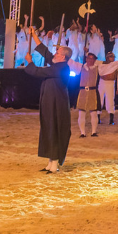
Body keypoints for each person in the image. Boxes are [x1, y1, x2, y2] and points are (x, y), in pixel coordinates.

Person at [23, 28, 73, 173]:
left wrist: (30, 62)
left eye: (58, 53)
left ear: (63, 57)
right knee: (48, 129)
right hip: (49, 103)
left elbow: (37, 71)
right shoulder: (58, 64)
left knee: (54, 129)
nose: (55, 54)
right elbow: (46, 53)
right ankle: (50, 163)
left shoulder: (61, 68)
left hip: (57, 105)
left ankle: (54, 163)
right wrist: (34, 35)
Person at [75, 53, 104, 138]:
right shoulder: (80, 67)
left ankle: (94, 132)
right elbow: (71, 63)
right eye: (89, 58)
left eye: (92, 59)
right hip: (83, 91)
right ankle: (82, 133)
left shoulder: (98, 68)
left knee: (94, 112)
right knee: (81, 113)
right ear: (86, 59)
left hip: (93, 92)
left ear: (95, 60)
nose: (90, 60)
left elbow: (109, 67)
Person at [96, 51, 118, 126]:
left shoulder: (116, 66)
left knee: (110, 100)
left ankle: (111, 119)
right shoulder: (102, 63)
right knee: (100, 100)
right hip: (102, 83)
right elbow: (94, 61)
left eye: (113, 57)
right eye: (111, 57)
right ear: (107, 57)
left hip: (111, 84)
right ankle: (97, 118)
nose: (113, 58)